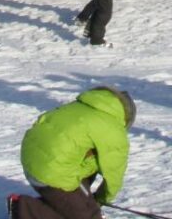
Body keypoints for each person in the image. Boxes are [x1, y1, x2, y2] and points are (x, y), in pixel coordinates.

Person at [9, 85, 135, 219]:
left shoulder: (79, 106)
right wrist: (101, 199)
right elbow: (114, 176)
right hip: (51, 173)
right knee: (88, 216)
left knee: (87, 204)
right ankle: (23, 208)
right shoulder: (113, 129)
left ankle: (74, 202)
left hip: (32, 160)